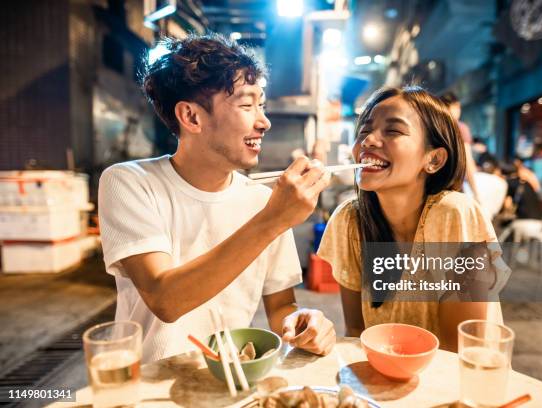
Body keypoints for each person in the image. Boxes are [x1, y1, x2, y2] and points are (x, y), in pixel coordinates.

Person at [98, 34, 335, 363]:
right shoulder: (130, 182)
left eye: (261, 105)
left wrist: (304, 322)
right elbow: (165, 300)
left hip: (229, 377)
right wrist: (275, 219)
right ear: (191, 117)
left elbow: (281, 305)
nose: (263, 122)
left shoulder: (261, 199)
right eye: (246, 105)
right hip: (149, 382)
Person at [317, 86, 508, 352]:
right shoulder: (349, 220)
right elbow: (357, 333)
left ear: (434, 159)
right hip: (383, 379)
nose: (369, 140)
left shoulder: (455, 214)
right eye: (364, 131)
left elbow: (458, 349)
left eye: (393, 130)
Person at [441, 92, 481, 204]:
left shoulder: (433, 126)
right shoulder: (459, 127)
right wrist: (476, 193)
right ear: (451, 106)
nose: (459, 111)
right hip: (452, 186)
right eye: (458, 107)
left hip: (432, 185)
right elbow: (467, 161)